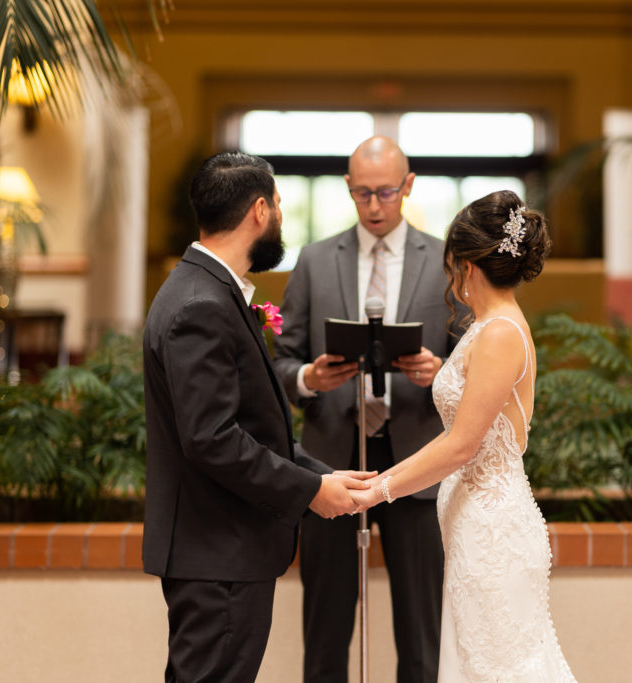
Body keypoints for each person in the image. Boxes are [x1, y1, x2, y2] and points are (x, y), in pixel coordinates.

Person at [142, 151, 373, 683]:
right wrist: (309, 492)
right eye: (281, 207)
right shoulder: (201, 304)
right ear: (260, 210)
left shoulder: (206, 289)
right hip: (217, 551)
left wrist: (317, 473)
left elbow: (247, 426)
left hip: (220, 549)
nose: (282, 219)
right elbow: (213, 439)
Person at [352, 190, 578, 682]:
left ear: (466, 265)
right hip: (473, 529)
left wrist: (378, 488)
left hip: (492, 534)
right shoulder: (487, 328)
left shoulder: (498, 333)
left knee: (501, 669)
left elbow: (460, 444)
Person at [273, 136, 467, 682]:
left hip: (418, 461)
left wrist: (443, 372)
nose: (375, 206)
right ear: (348, 189)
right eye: (362, 194)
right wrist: (310, 378)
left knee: (421, 630)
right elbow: (281, 362)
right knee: (326, 628)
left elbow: (472, 358)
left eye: (385, 192)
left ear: (408, 186)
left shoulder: (444, 260)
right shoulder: (313, 260)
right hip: (332, 459)